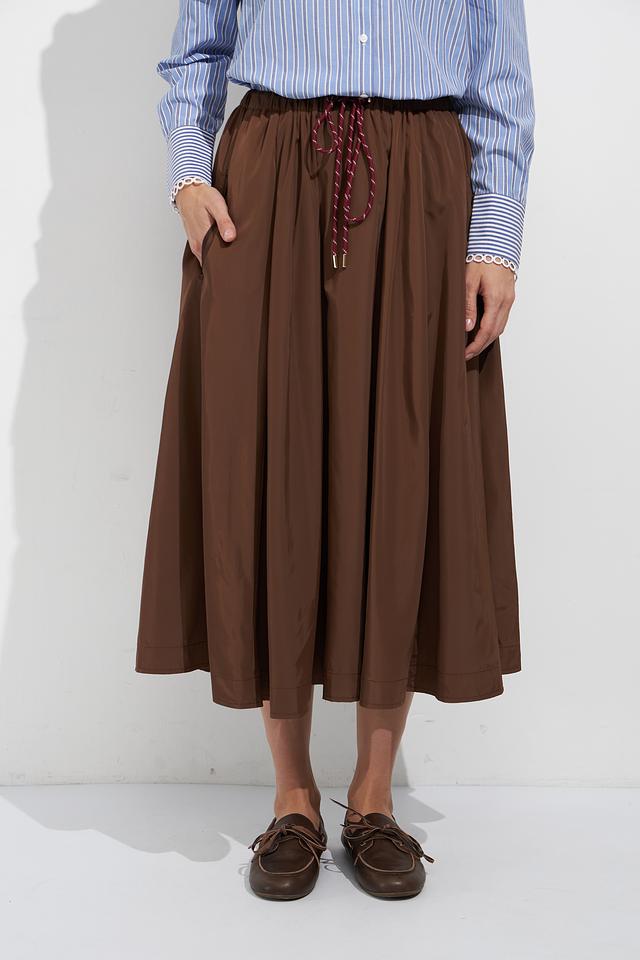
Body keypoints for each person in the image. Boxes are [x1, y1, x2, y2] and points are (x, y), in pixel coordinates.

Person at [136, 0, 534, 901]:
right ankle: (293, 798)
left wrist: (496, 239)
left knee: (403, 472)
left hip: (422, 178)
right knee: (267, 467)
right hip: (269, 177)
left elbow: (501, 76)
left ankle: (373, 799)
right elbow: (197, 48)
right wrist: (190, 176)